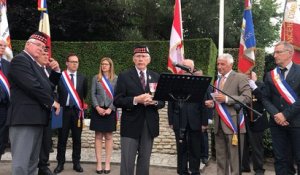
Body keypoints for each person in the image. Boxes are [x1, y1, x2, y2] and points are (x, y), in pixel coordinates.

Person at [6, 31, 60, 175]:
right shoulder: (20, 60)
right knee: (21, 165)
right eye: (38, 45)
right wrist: (51, 102)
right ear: (27, 45)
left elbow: (48, 86)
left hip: (36, 119)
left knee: (32, 163)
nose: (41, 49)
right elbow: (32, 86)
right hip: (24, 119)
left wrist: (55, 72)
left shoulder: (35, 65)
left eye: (43, 47)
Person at [113, 45, 165, 175]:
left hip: (149, 124)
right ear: (133, 59)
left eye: (144, 56)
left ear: (149, 59)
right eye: (138, 56)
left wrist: (154, 102)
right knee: (127, 162)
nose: (141, 59)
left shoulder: (156, 76)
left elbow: (162, 101)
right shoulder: (124, 76)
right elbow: (117, 101)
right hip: (130, 124)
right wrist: (136, 100)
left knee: (144, 161)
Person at [205, 53, 251, 175]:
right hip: (219, 124)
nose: (219, 67)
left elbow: (247, 97)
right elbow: (218, 100)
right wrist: (213, 103)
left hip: (233, 124)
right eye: (218, 64)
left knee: (235, 159)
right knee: (220, 158)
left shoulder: (240, 77)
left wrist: (226, 99)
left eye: (222, 64)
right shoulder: (218, 80)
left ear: (231, 64)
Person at [168, 59, 212, 175]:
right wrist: (171, 120)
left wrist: (204, 122)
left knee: (195, 149)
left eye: (187, 66)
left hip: (195, 121)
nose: (185, 68)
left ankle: (195, 171)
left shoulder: (199, 82)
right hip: (178, 119)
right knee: (181, 149)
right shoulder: (175, 81)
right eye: (183, 66)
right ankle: (182, 171)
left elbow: (204, 104)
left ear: (192, 68)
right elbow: (171, 103)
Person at [262, 41, 300, 174]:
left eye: (278, 52)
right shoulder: (270, 75)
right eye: (274, 52)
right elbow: (265, 98)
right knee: (281, 160)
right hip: (277, 124)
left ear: (290, 53)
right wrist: (276, 114)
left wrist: (285, 115)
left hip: (297, 124)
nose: (275, 55)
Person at [54, 53, 88, 173]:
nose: (75, 64)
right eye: (72, 62)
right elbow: (53, 91)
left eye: (76, 62)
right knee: (62, 138)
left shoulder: (83, 78)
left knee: (77, 139)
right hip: (63, 111)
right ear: (67, 63)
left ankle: (76, 163)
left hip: (77, 112)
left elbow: (84, 94)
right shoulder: (60, 76)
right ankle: (60, 163)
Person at [35, 48, 61, 175]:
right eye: (43, 54)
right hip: (36, 110)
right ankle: (34, 165)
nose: (46, 56)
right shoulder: (35, 69)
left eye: (47, 54)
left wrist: (57, 71)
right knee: (35, 140)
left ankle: (43, 165)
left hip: (50, 111)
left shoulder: (50, 70)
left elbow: (54, 89)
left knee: (46, 140)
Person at [90, 57, 118, 174]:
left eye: (106, 64)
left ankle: (107, 163)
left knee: (108, 137)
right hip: (98, 110)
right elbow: (92, 94)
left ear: (110, 66)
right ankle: (99, 163)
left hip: (110, 111)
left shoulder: (116, 79)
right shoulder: (96, 78)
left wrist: (111, 109)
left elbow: (117, 96)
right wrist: (97, 107)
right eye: (102, 64)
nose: (104, 66)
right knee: (98, 136)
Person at [242, 71, 268, 175]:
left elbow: (264, 99)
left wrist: (254, 87)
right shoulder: (243, 86)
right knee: (243, 145)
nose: (248, 77)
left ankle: (259, 169)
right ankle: (244, 166)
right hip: (245, 119)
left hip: (257, 120)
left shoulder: (262, 86)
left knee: (257, 146)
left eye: (250, 75)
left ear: (255, 76)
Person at [0, 39, 10, 160]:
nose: (2, 47)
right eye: (0, 45)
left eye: (4, 46)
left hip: (4, 108)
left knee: (1, 138)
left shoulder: (7, 64)